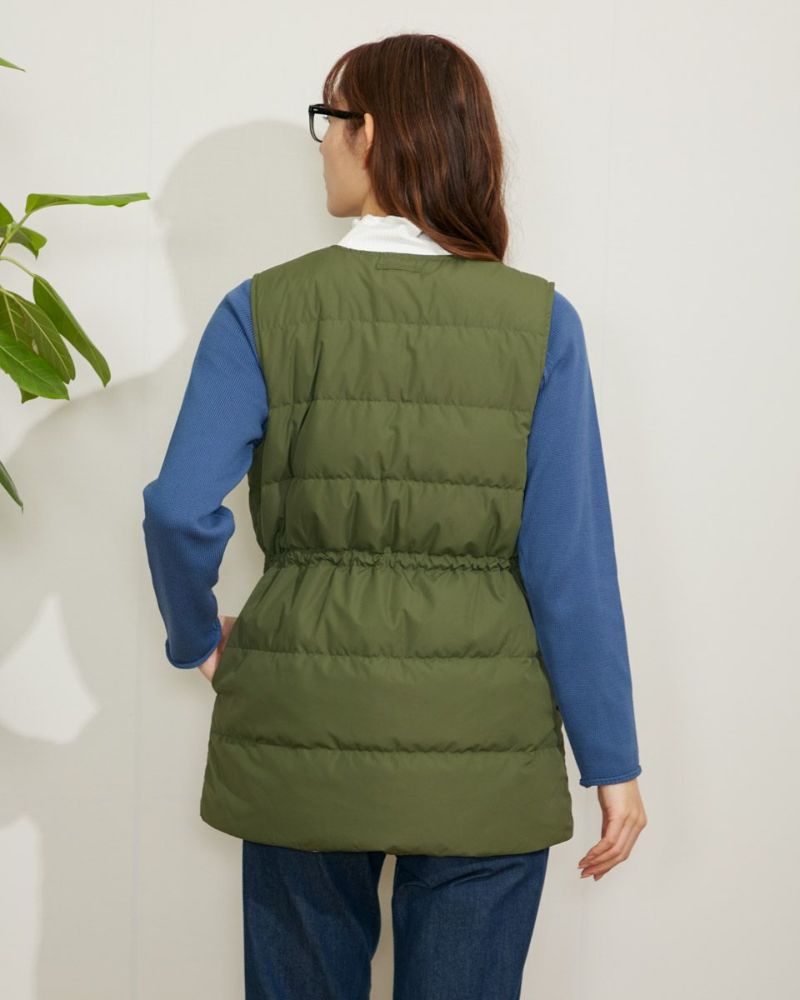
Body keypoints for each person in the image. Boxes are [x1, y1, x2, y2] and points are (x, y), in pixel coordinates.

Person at [142, 32, 646, 1000]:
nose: (321, 146)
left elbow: (175, 507)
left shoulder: (263, 308)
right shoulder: (541, 322)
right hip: (485, 745)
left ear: (368, 132)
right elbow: (568, 565)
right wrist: (610, 759)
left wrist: (196, 638)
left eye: (328, 121)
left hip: (298, 722)